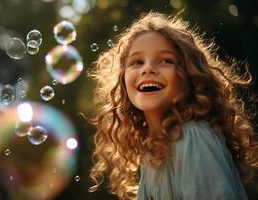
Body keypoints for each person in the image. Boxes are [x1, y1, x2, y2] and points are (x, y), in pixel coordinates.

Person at [87, 11, 258, 200]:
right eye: (137, 62)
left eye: (165, 61)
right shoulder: (153, 151)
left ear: (190, 76)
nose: (148, 69)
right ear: (123, 80)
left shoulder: (191, 137)